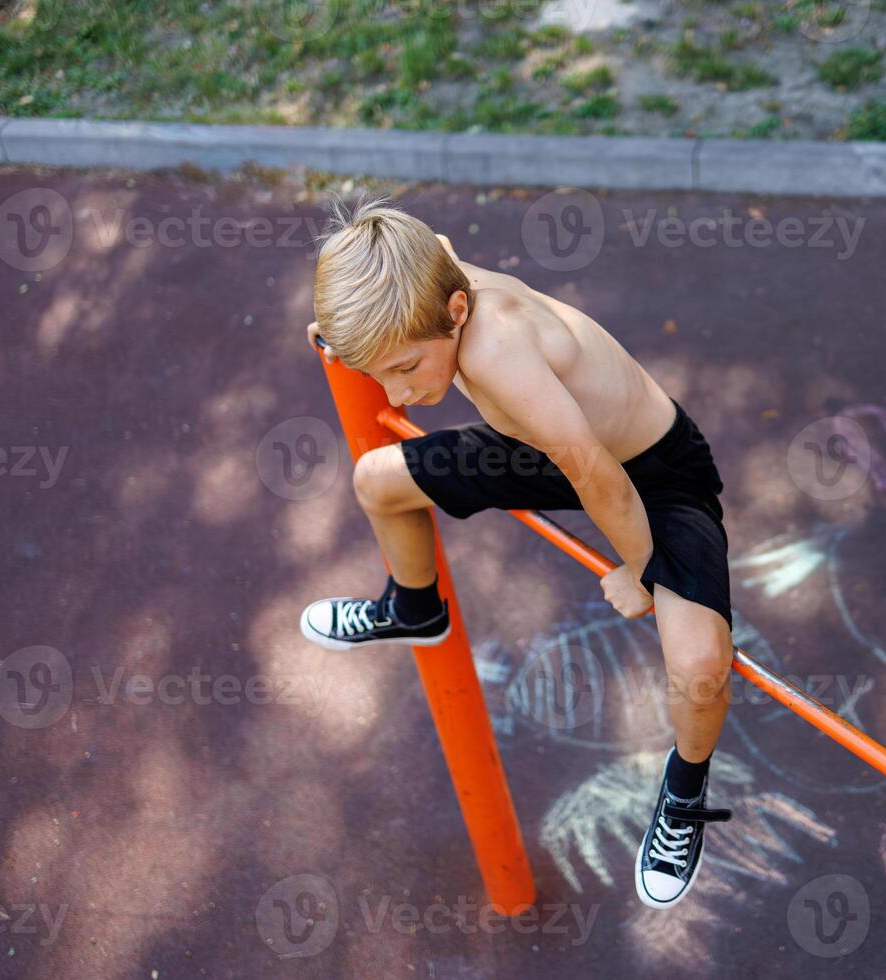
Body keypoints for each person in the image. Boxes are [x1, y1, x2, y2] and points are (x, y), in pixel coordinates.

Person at [298, 198, 733, 909]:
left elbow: (598, 474)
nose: (400, 392)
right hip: (549, 442)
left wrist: (643, 573)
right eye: (380, 377)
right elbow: (420, 242)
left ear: (459, 309)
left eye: (406, 368)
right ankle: (416, 607)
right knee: (376, 481)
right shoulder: (430, 270)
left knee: (699, 665)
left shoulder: (499, 352)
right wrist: (340, 335)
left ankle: (684, 793)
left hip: (650, 476)